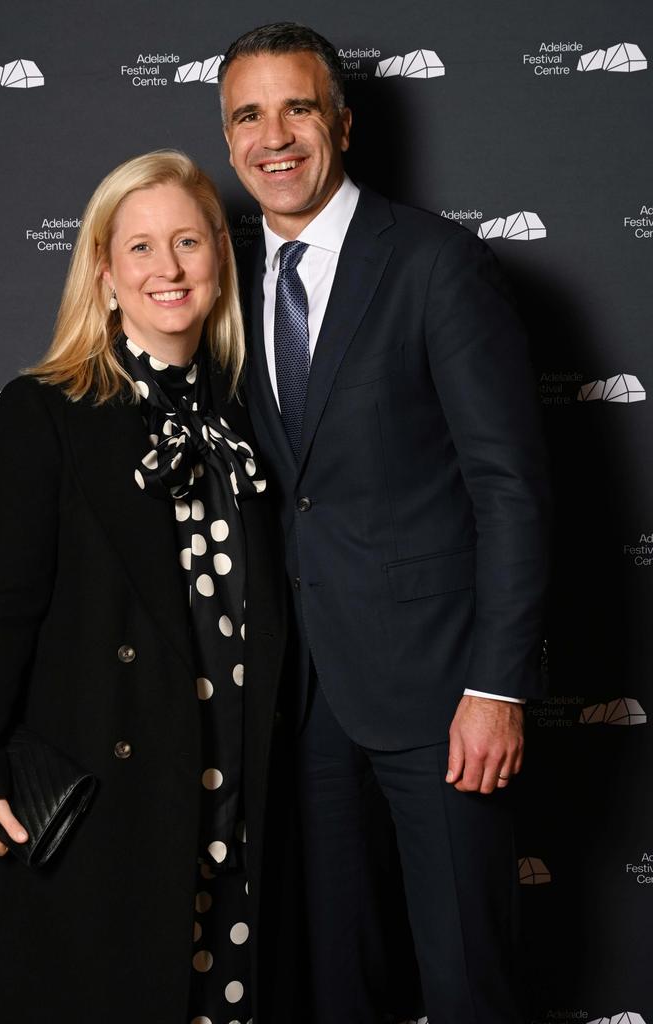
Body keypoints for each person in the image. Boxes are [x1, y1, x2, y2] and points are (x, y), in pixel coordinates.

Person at [218, 23, 551, 1024]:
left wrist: (496, 684)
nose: (274, 136)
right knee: (331, 984)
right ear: (227, 139)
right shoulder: (221, 283)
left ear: (345, 124)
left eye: (298, 107)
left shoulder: (436, 265)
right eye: (247, 115)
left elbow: (511, 488)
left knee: (463, 981)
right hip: (298, 704)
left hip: (442, 701)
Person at [0, 150, 286, 1024]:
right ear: (105, 272)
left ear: (219, 262)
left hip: (240, 797)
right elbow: (3, 601)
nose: (167, 269)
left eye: (189, 243)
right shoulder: (45, 408)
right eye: (141, 248)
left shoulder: (253, 414)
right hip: (113, 791)